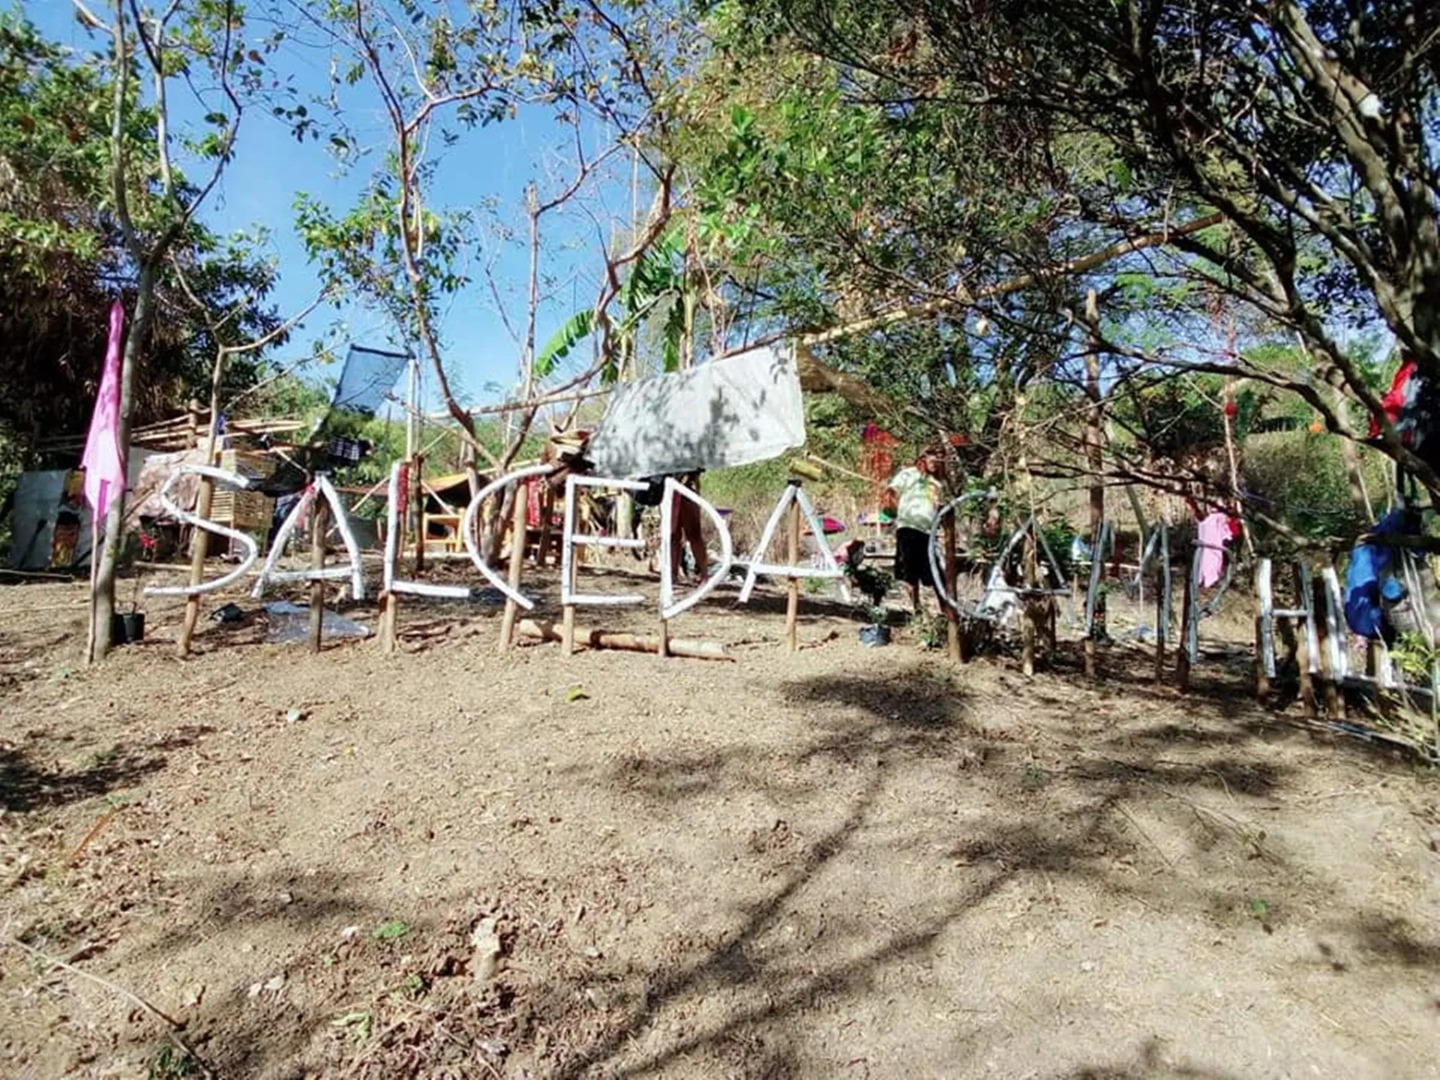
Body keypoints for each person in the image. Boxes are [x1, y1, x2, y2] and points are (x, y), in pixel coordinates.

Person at [885, 446, 946, 616]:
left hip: (928, 532)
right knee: (910, 572)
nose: (936, 464)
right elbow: (891, 491)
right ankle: (917, 609)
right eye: (933, 460)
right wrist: (894, 510)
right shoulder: (909, 474)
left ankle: (946, 611)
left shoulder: (936, 483)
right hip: (908, 528)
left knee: (934, 572)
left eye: (939, 462)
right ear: (924, 459)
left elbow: (935, 505)